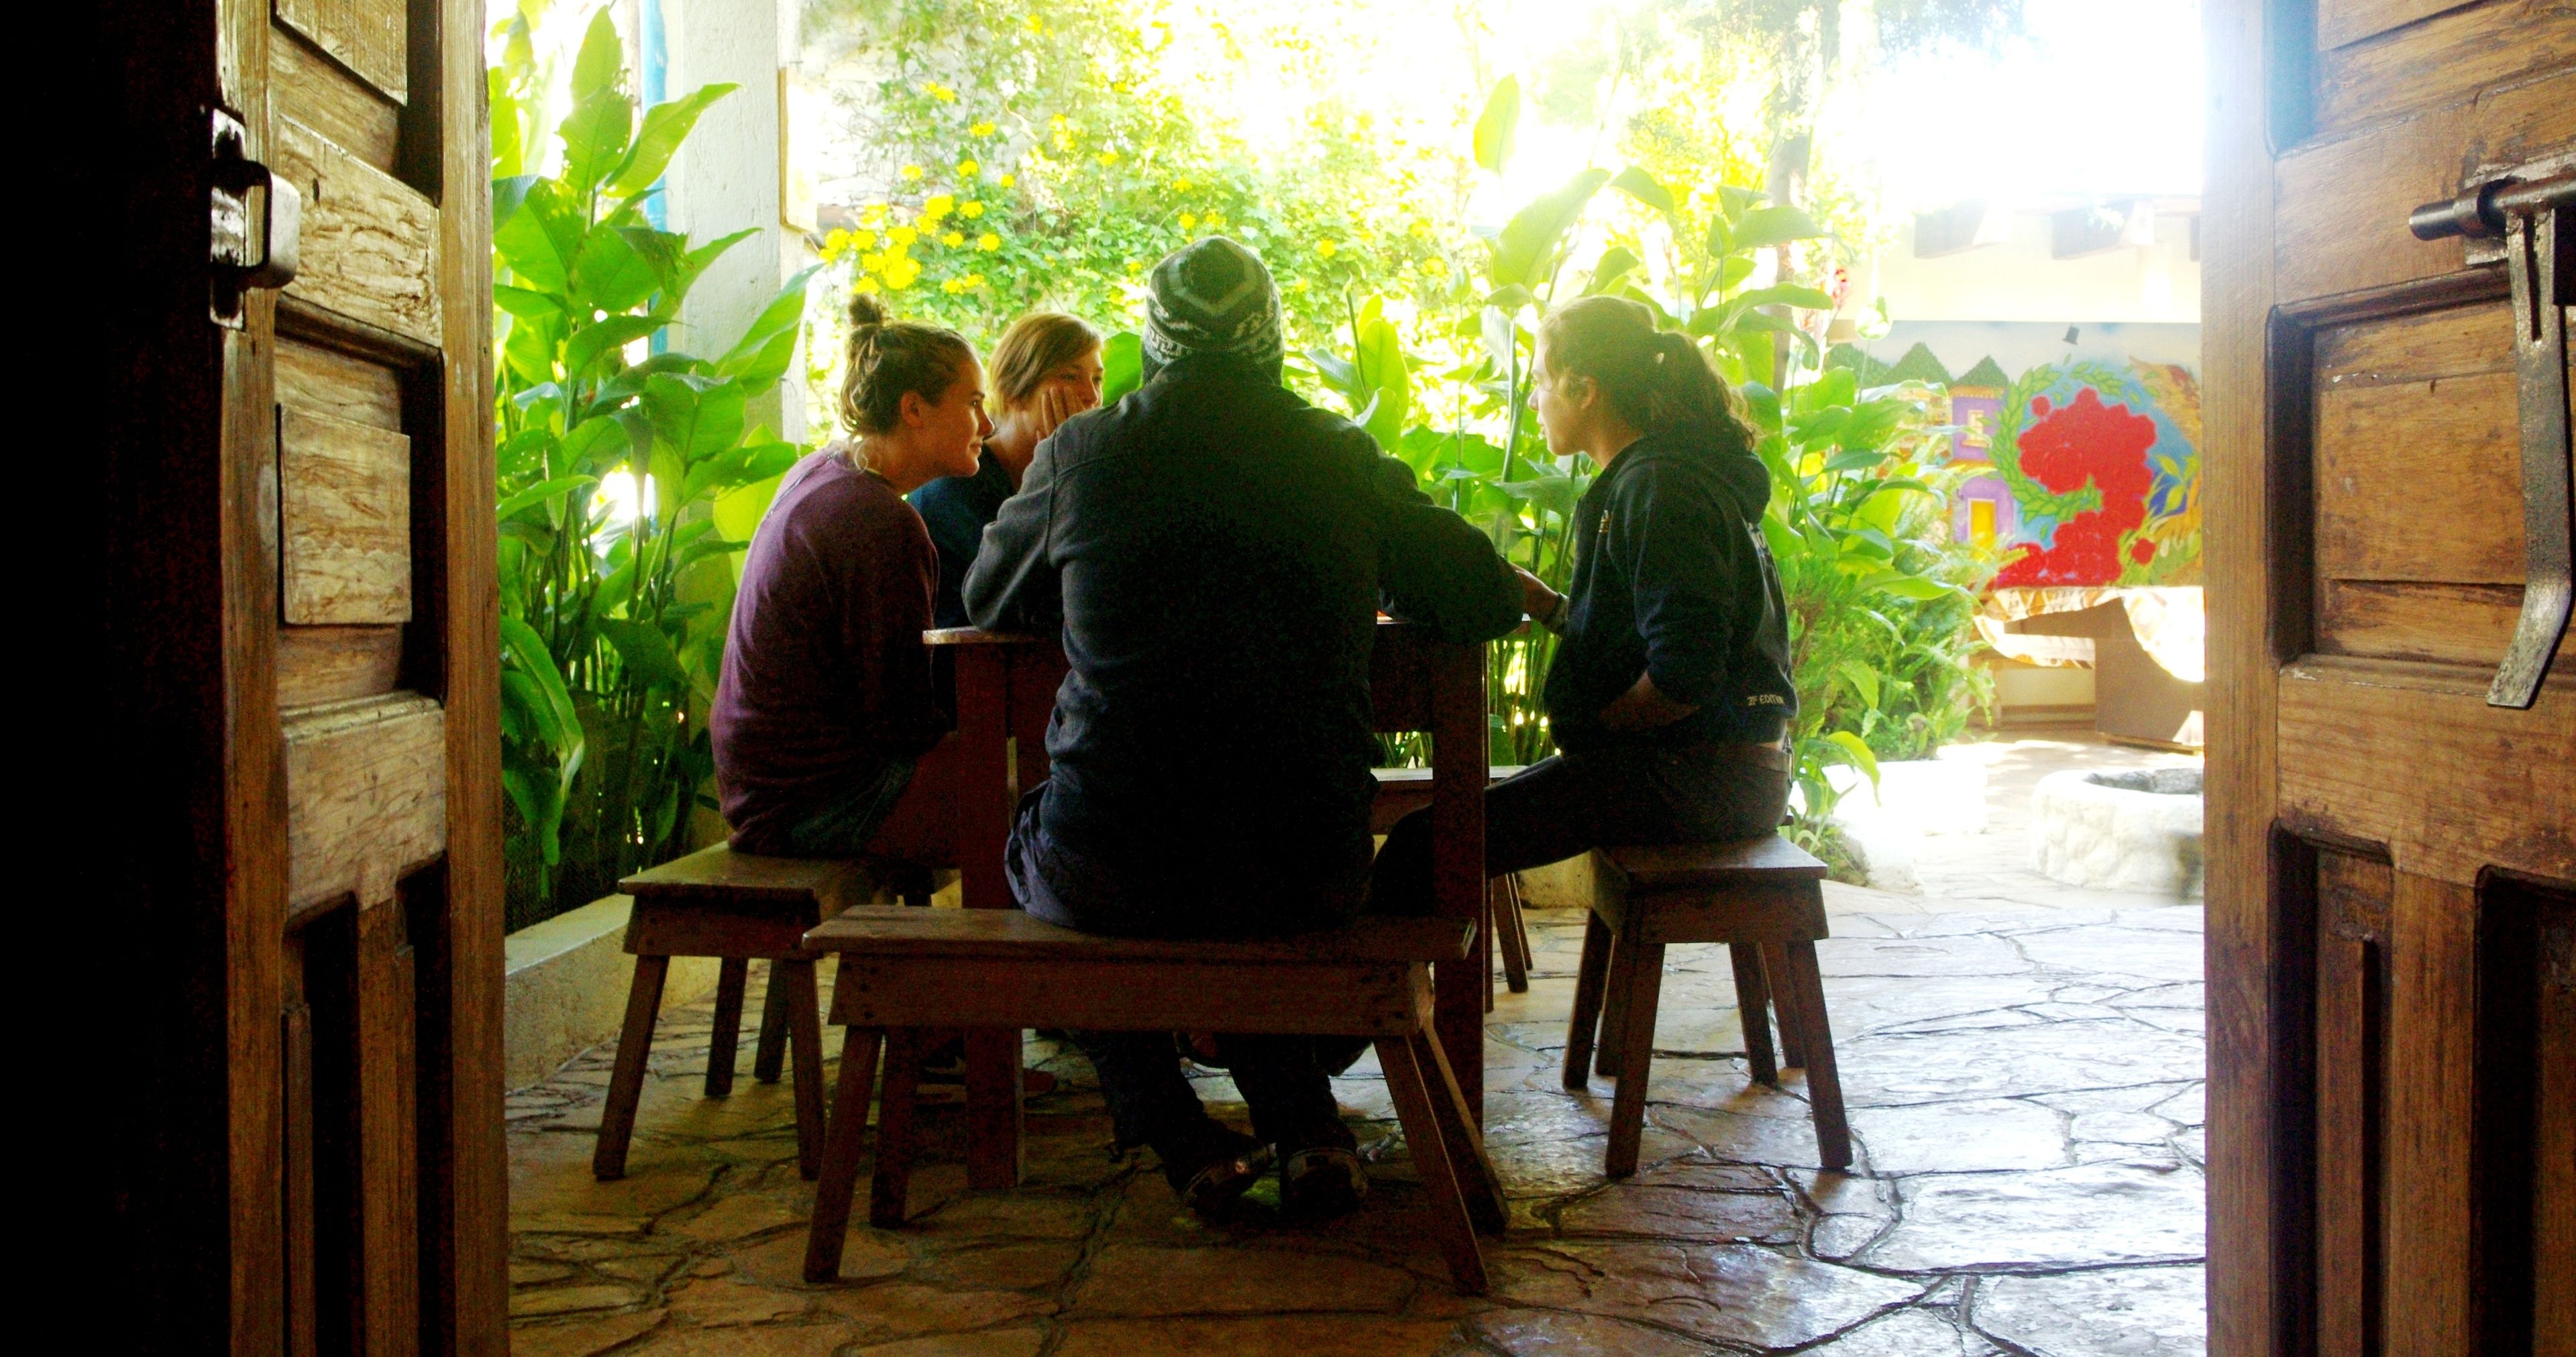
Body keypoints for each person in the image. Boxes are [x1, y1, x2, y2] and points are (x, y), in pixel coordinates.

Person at [963, 237, 1524, 1223]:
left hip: (1115, 866)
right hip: (1303, 869)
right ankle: (1307, 1123)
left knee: (1039, 838)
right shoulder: (1337, 454)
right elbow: (1478, 591)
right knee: (1238, 868)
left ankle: (1172, 1126)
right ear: (1271, 339)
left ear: (1156, 338)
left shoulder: (1080, 454)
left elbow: (990, 594)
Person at [1372, 294, 1798, 921]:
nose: (1537, 398)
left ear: (1584, 388)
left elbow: (1685, 674)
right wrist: (1548, 607)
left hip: (1695, 783)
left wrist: (1596, 732)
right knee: (1443, 831)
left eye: (1543, 381)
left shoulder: (1658, 487)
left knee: (1421, 846)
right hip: (1717, 776)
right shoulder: (1667, 476)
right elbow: (1649, 635)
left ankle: (1384, 1017)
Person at [710, 292, 990, 863]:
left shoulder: (825, 471)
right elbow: (903, 725)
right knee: (1029, 811)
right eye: (974, 403)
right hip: (810, 807)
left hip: (763, 794)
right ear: (914, 409)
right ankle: (964, 957)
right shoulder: (879, 519)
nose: (988, 424)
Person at [912, 313, 1105, 628]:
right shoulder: (959, 484)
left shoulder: (1078, 472)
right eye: (1070, 377)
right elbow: (1027, 600)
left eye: (1096, 379)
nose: (1092, 395)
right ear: (1016, 389)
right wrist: (1058, 469)